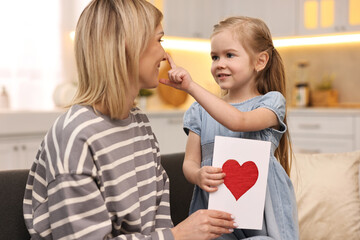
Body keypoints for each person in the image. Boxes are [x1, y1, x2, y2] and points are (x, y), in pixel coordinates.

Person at [22, 1, 237, 239]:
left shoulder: (139, 123)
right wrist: (178, 235)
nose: (164, 55)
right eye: (159, 40)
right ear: (128, 46)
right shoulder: (75, 136)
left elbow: (158, 220)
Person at [160, 16, 299, 239]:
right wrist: (197, 175)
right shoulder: (199, 111)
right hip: (216, 209)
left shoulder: (271, 102)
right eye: (214, 57)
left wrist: (191, 86)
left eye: (229, 55)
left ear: (260, 61)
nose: (219, 63)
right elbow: (190, 161)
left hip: (264, 210)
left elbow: (238, 121)